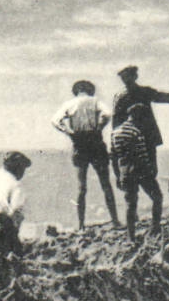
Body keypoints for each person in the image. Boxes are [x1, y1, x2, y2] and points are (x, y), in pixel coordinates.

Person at [52, 80, 121, 230]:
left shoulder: (69, 104)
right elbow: (108, 114)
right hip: (95, 141)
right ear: (90, 90)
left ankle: (81, 224)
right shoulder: (95, 101)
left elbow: (55, 121)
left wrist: (68, 131)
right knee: (106, 184)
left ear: (76, 91)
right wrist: (100, 126)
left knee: (81, 187)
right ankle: (115, 220)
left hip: (79, 143)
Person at [110, 64, 169, 165]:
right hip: (129, 138)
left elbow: (166, 97)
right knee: (130, 171)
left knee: (149, 170)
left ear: (135, 76)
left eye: (127, 76)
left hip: (146, 136)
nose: (125, 79)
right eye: (123, 77)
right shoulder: (120, 96)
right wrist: (114, 141)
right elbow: (115, 120)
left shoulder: (144, 91)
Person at [111, 102, 164, 239]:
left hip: (124, 171)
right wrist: (150, 171)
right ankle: (155, 227)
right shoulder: (136, 132)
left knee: (130, 204)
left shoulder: (115, 132)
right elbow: (142, 155)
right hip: (140, 170)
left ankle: (130, 236)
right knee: (157, 197)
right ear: (138, 117)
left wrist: (117, 175)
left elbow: (113, 156)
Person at [0, 151, 30, 256]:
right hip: (6, 231)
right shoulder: (16, 185)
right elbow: (15, 212)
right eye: (22, 168)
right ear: (18, 168)